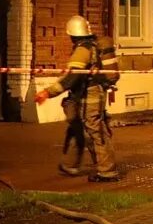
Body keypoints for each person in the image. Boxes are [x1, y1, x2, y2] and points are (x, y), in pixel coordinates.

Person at [34, 15, 120, 182]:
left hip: (90, 96)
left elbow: (71, 78)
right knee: (90, 130)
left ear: (72, 34)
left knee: (96, 132)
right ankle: (92, 166)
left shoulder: (82, 50)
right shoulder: (91, 46)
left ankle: (107, 171)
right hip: (92, 94)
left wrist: (47, 92)